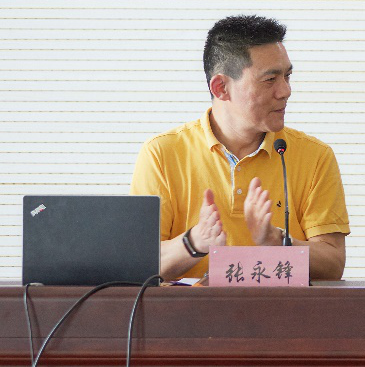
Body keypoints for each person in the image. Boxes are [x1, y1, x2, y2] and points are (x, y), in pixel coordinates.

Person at [131, 15, 350, 281]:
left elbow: (333, 263)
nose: (285, 91)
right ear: (221, 87)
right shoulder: (161, 154)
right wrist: (194, 242)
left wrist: (276, 241)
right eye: (270, 79)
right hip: (190, 308)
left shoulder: (315, 156)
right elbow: (137, 266)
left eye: (287, 76)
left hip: (281, 309)